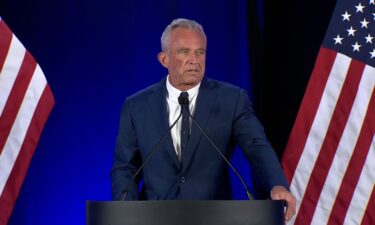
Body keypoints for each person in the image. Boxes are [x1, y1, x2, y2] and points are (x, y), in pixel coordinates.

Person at [111, 18, 296, 222]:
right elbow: (125, 168)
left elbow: (256, 146)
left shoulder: (231, 99)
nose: (194, 60)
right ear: (164, 59)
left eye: (200, 52)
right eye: (184, 52)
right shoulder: (137, 106)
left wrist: (277, 184)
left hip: (214, 216)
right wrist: (124, 212)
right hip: (155, 217)